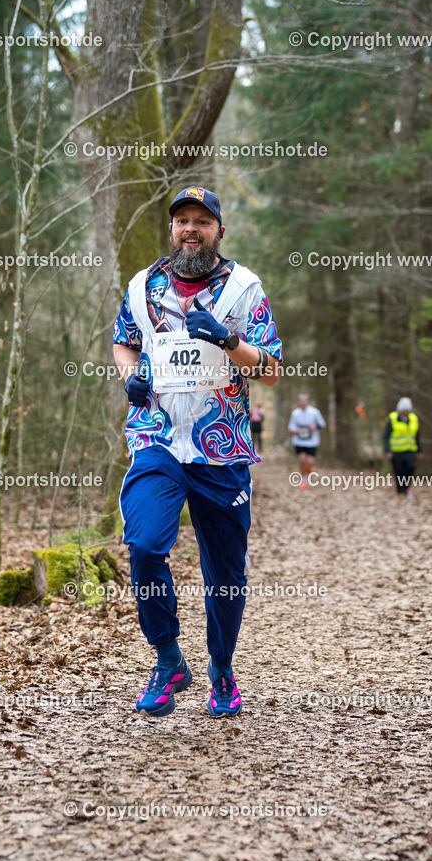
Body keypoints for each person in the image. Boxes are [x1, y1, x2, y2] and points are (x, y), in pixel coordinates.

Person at [112, 185, 282, 719]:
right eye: (182, 219)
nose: (191, 229)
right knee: (144, 545)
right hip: (156, 437)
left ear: (219, 231)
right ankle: (168, 659)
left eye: (202, 221)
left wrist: (229, 342)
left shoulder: (245, 289)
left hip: (222, 450)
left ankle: (222, 668)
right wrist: (130, 376)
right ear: (172, 228)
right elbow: (123, 341)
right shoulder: (143, 286)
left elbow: (272, 370)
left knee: (226, 576)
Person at [384, 397, 421, 497]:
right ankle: (400, 491)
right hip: (396, 452)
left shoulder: (414, 419)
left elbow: (417, 436)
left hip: (410, 450)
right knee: (399, 472)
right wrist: (388, 450)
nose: (405, 413)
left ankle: (405, 488)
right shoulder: (392, 418)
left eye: (407, 411)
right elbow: (386, 436)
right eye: (403, 411)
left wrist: (419, 450)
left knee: (411, 467)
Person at [288, 393, 325, 489]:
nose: (303, 402)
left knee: (309, 462)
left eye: (305, 400)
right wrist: (294, 430)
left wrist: (315, 427)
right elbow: (290, 427)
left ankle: (306, 476)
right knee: (302, 460)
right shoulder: (295, 413)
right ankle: (303, 477)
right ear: (299, 402)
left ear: (307, 401)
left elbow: (322, 424)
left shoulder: (315, 412)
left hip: (312, 441)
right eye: (301, 400)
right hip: (299, 441)